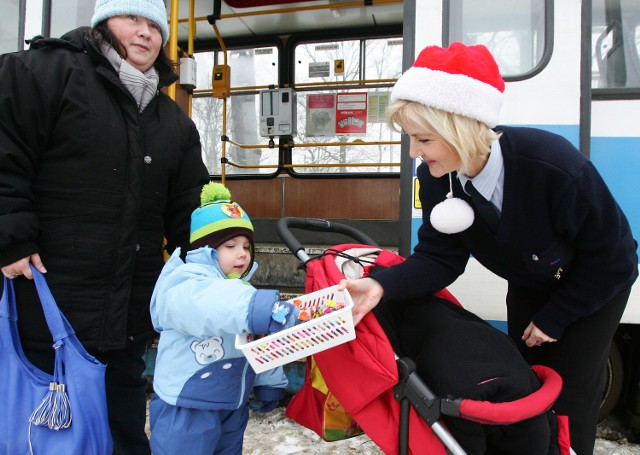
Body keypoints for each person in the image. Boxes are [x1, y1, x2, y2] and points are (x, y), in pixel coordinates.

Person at [339, 42, 638, 455]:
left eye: (422, 139)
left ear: (460, 128)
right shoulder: (437, 177)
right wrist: (381, 286)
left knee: (569, 395)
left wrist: (557, 317)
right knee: (525, 383)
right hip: (532, 281)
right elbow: (438, 258)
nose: (414, 153)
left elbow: (617, 261)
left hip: (594, 287)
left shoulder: (552, 166)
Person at [0, 0, 210, 453]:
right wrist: (10, 238)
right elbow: (5, 155)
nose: (145, 33)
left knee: (123, 419)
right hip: (47, 294)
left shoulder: (172, 122)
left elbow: (188, 207)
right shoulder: (44, 73)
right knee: (46, 428)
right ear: (102, 22)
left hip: (129, 308)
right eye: (132, 18)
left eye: (155, 25)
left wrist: (211, 264)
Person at [149, 182, 299, 455]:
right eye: (230, 245)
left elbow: (259, 344)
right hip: (187, 405)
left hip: (231, 403)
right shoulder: (186, 282)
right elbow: (212, 303)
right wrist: (258, 309)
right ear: (205, 250)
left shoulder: (244, 294)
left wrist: (269, 382)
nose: (242, 253)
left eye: (246, 245)